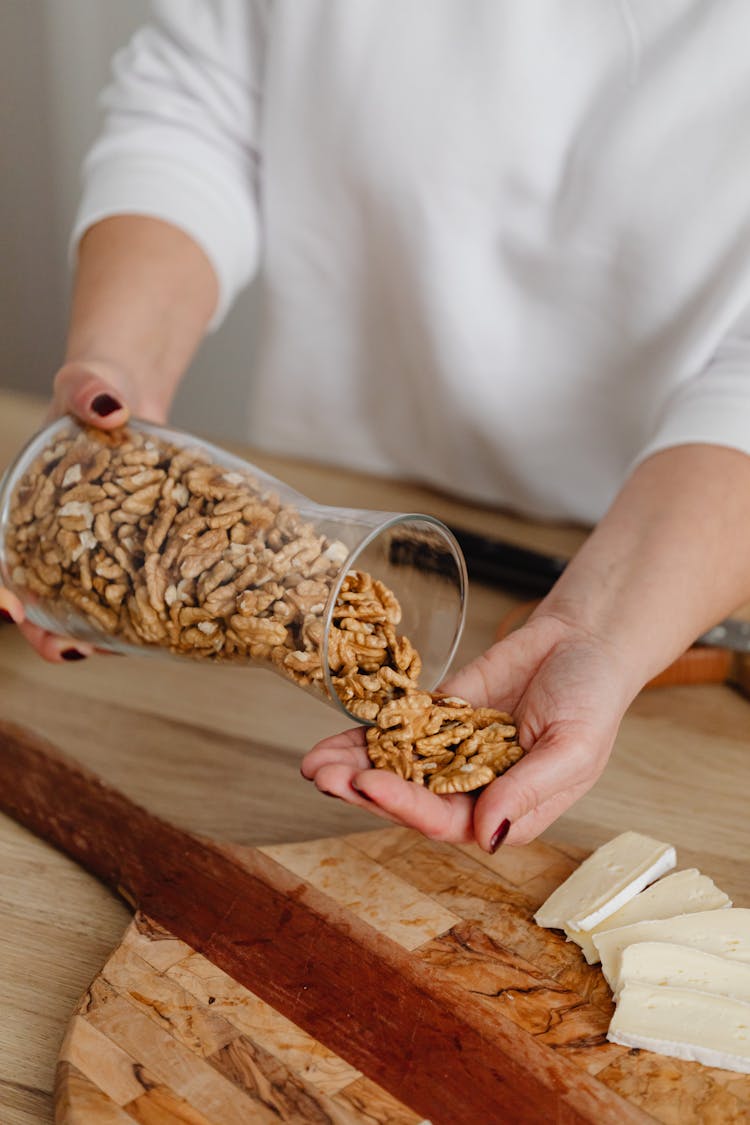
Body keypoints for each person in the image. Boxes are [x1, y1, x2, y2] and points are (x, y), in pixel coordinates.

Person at [3, 1, 750, 854]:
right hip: (330, 504)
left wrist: (598, 631)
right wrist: (119, 371)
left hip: (669, 539)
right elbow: (198, 100)